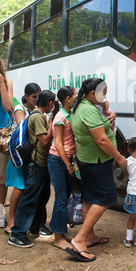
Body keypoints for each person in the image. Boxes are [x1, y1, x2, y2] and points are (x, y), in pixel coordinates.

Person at [69, 78, 127, 262]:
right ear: (92, 93)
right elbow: (101, 140)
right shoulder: (88, 110)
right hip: (97, 161)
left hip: (87, 159)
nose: (105, 96)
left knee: (90, 198)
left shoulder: (80, 106)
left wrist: (113, 114)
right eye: (103, 92)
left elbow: (105, 111)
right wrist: (119, 157)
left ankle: (90, 237)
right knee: (104, 198)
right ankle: (79, 239)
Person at [8, 90, 56, 248]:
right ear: (49, 103)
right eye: (53, 103)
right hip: (36, 164)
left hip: (41, 163)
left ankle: (37, 226)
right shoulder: (37, 117)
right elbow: (43, 141)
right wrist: (50, 126)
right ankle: (17, 233)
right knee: (30, 198)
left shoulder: (38, 115)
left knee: (41, 196)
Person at [5, 84, 41, 234]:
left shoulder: (34, 110)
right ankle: (11, 221)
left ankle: (21, 219)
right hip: (20, 155)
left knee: (25, 188)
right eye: (34, 97)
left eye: (38, 97)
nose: (36, 100)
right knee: (19, 188)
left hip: (28, 156)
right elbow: (22, 130)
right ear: (26, 96)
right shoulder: (21, 109)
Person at [47, 86, 78, 252]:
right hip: (57, 160)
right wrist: (68, 164)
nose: (76, 98)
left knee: (64, 196)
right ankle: (58, 237)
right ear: (67, 99)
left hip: (63, 159)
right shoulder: (60, 116)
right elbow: (58, 143)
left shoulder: (67, 114)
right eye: (74, 95)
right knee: (60, 197)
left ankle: (58, 231)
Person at [0, 59, 13, 228]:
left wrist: (1, 84)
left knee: (1, 177)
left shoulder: (6, 82)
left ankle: (0, 212)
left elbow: (8, 107)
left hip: (2, 133)